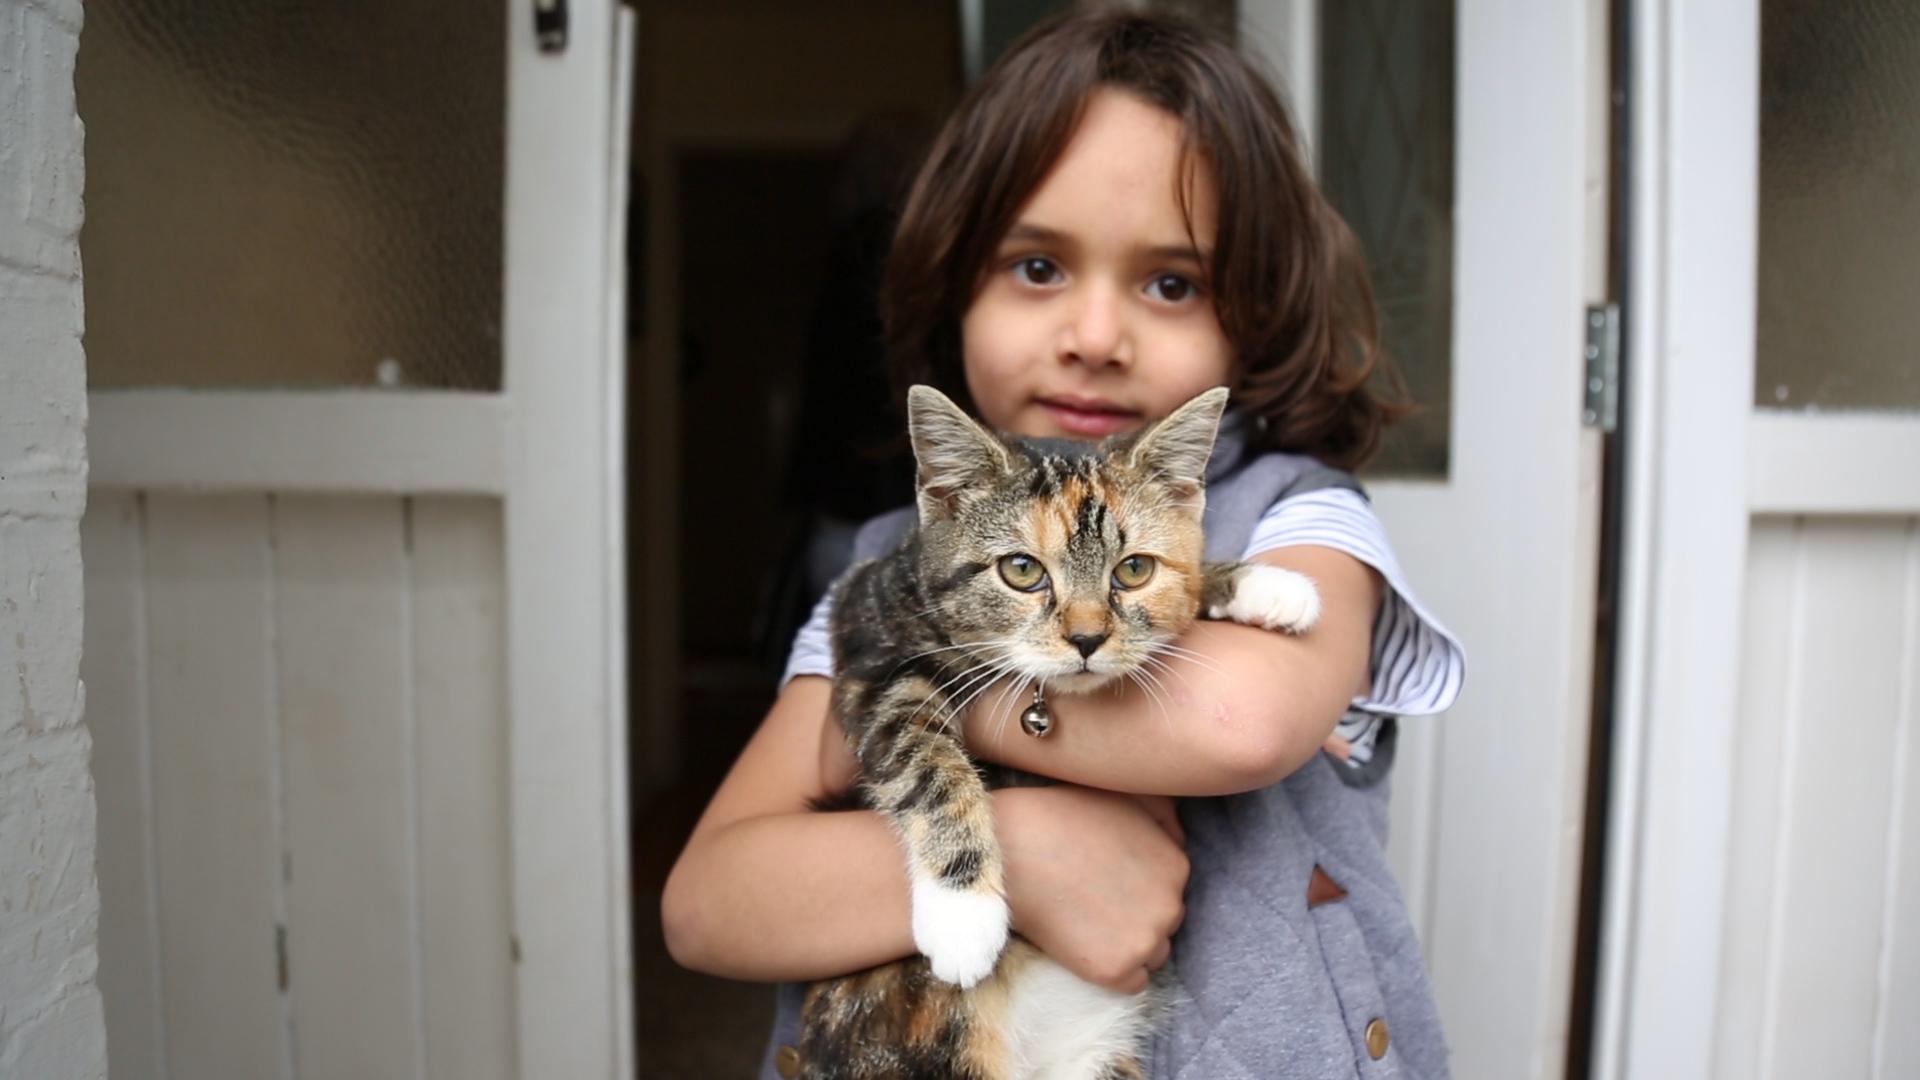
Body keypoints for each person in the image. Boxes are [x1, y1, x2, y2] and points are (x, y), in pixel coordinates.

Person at [662, 9, 1465, 1078]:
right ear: (955, 285)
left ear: (1254, 317)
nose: (1093, 337)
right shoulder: (895, 557)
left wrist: (910, 698)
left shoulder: (1297, 517)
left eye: (1171, 282)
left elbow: (1240, 718)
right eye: (1038, 268)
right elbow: (708, 903)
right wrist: (1025, 858)